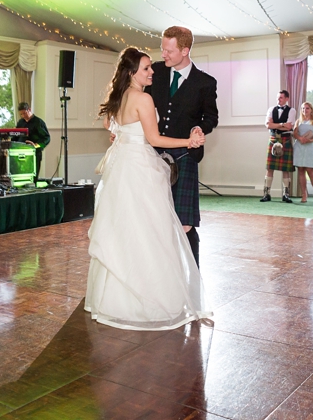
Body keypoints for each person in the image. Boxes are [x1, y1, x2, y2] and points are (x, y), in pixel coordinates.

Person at [86, 47, 210, 330]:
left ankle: (113, 299)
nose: (152, 71)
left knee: (125, 230)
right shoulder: (142, 98)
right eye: (146, 69)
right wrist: (187, 143)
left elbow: (112, 127)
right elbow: (155, 138)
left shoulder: (117, 98)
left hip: (121, 169)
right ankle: (150, 300)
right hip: (140, 167)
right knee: (149, 231)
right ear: (132, 73)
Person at [145, 26, 218, 268]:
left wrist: (199, 128)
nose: (163, 54)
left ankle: (193, 274)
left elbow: (211, 117)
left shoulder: (205, 83)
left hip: (185, 154)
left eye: (169, 50)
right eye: (162, 49)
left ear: (185, 50)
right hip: (153, 153)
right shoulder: (153, 72)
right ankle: (162, 272)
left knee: (185, 221)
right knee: (155, 218)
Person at [260, 90, 297, 203]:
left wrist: (275, 125)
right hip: (273, 139)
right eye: (278, 97)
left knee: (285, 169)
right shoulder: (271, 109)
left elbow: (289, 127)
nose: (278, 99)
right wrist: (281, 124)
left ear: (287, 98)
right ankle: (267, 194)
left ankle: (286, 194)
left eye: (281, 97)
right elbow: (267, 125)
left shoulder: (292, 110)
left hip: (285, 139)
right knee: (269, 168)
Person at [293, 102, 313, 203]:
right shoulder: (298, 121)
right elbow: (294, 134)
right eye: (303, 108)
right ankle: (304, 194)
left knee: (310, 171)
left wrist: (309, 140)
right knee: (301, 171)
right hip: (299, 147)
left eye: (307, 108)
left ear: (311, 109)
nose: (305, 110)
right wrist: (300, 138)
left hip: (309, 147)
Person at [14, 102, 50, 178]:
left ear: (29, 109)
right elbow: (15, 136)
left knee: (33, 178)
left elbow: (46, 138)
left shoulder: (38, 122)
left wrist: (36, 145)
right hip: (21, 154)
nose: (23, 116)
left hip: (34, 154)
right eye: (21, 114)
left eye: (24, 113)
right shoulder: (20, 122)